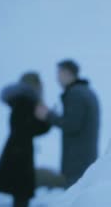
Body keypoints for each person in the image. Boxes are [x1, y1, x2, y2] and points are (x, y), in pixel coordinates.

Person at [0, 72, 51, 207]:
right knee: (21, 201)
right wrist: (45, 118)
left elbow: (25, 128)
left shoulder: (19, 101)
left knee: (20, 201)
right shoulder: (26, 102)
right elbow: (28, 128)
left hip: (16, 154)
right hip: (20, 157)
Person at [35, 59, 100, 187]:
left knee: (75, 200)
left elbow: (71, 125)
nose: (57, 78)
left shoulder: (76, 93)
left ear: (67, 73)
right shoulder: (85, 91)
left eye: (59, 73)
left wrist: (47, 115)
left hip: (77, 161)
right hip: (85, 159)